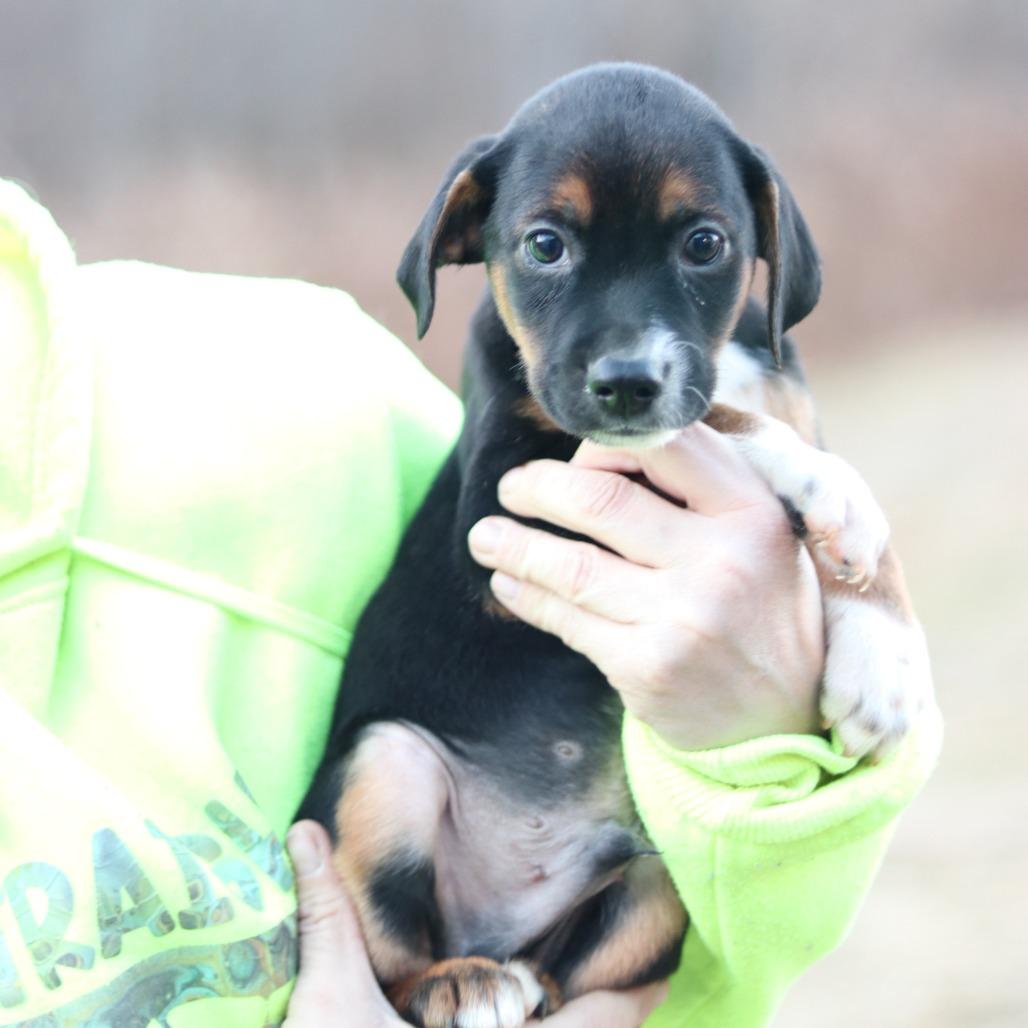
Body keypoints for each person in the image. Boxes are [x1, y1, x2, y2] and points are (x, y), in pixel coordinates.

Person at [0, 180, 941, 1027]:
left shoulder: (312, 388)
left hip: (598, 882)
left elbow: (728, 947)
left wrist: (790, 696)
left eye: (701, 247)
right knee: (397, 772)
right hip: (442, 855)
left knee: (635, 882)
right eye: (547, 246)